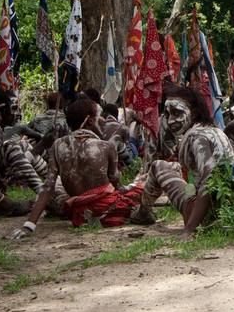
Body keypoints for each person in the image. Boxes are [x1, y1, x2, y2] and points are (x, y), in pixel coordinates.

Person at [10, 96, 143, 236]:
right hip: (104, 209)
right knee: (141, 187)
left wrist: (28, 225)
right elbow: (118, 185)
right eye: (99, 117)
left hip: (77, 212)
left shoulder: (58, 145)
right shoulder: (106, 146)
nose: (103, 120)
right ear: (90, 120)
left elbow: (48, 187)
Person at [133, 85, 231, 236]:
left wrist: (189, 229)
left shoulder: (196, 137)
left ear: (194, 112)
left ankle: (143, 213)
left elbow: (209, 179)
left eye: (177, 113)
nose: (171, 121)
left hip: (206, 216)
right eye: (167, 114)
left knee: (159, 166)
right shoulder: (215, 130)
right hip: (229, 211)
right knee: (173, 167)